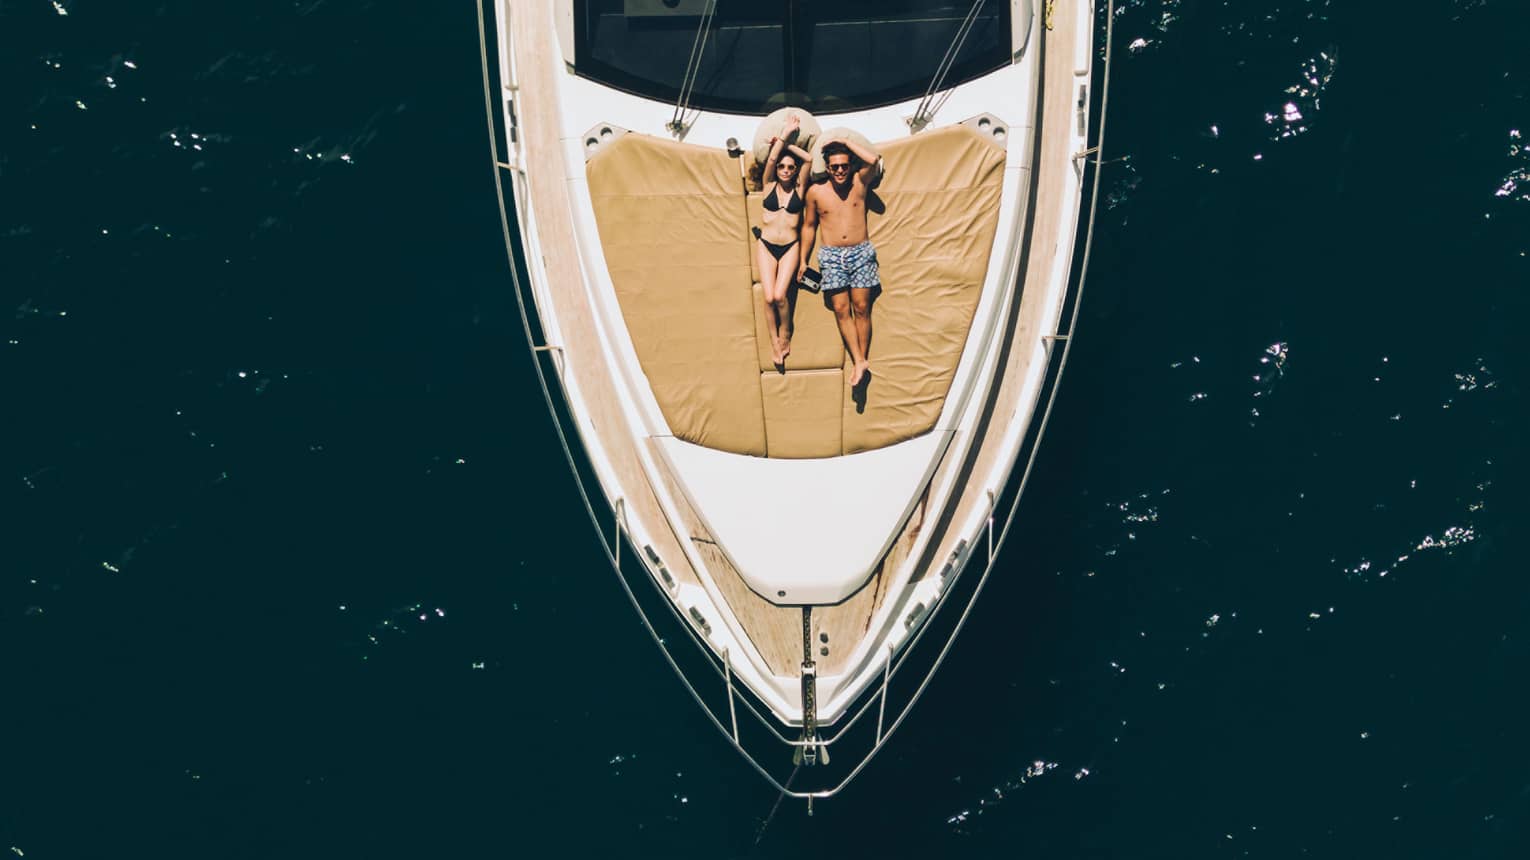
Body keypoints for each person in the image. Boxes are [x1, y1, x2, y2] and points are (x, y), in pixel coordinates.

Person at [799, 135, 883, 386]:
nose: (839, 171)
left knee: (861, 308)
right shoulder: (815, 192)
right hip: (831, 256)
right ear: (826, 168)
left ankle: (860, 362)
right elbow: (809, 226)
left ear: (850, 165)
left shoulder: (859, 181)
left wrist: (845, 143)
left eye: (844, 165)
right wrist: (803, 260)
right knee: (840, 309)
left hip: (860, 252)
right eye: (834, 166)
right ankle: (859, 360)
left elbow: (874, 160)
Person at [755, 113, 812, 367]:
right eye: (782, 167)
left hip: (790, 247)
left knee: (780, 296)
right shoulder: (768, 185)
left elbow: (809, 158)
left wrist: (788, 143)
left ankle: (786, 333)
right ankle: (774, 341)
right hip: (766, 246)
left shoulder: (800, 188)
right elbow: (773, 157)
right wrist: (784, 135)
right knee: (768, 298)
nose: (786, 170)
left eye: (790, 167)